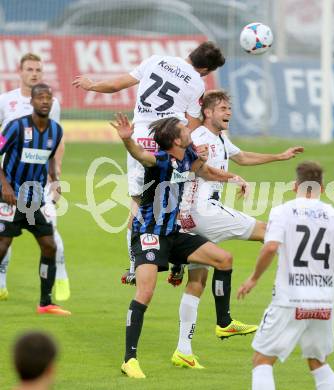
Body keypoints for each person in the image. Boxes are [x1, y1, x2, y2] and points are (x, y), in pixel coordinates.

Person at [170, 90, 304, 368]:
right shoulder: (199, 138)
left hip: (191, 216)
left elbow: (243, 157)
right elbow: (195, 169)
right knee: (269, 231)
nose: (228, 112)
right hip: (202, 210)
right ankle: (301, 285)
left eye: (229, 108)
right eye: (222, 108)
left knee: (198, 281)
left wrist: (280, 156)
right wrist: (231, 178)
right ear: (208, 112)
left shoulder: (220, 138)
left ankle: (183, 349)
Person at [73, 41, 225, 285]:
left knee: (137, 201)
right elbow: (193, 122)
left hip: (141, 137)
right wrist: (187, 144)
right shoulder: (197, 83)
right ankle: (178, 259)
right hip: (171, 140)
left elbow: (115, 85)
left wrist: (92, 85)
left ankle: (134, 265)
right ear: (206, 70)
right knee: (176, 197)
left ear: (190, 55)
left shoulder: (155, 60)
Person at [111, 113, 247, 378]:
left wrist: (234, 178)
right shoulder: (160, 159)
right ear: (175, 138)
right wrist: (127, 140)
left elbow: (206, 171)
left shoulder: (188, 156)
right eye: (184, 128)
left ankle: (224, 323)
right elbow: (141, 155)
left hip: (174, 233)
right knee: (145, 292)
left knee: (223, 259)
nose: (188, 129)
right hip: (150, 233)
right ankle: (130, 359)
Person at [237, 161, 334, 390]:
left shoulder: (282, 212)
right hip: (323, 301)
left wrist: (253, 278)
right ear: (322, 188)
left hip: (289, 299)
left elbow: (270, 247)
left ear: (295, 186)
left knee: (262, 360)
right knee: (318, 362)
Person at [0, 52, 70, 302]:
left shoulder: (54, 125)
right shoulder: (12, 117)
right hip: (9, 192)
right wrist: (4, 185)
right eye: (29, 69)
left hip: (36, 195)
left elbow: (52, 150)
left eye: (38, 69)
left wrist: (55, 177)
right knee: (3, 245)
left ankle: (48, 298)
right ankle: (1, 284)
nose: (34, 73)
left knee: (50, 242)